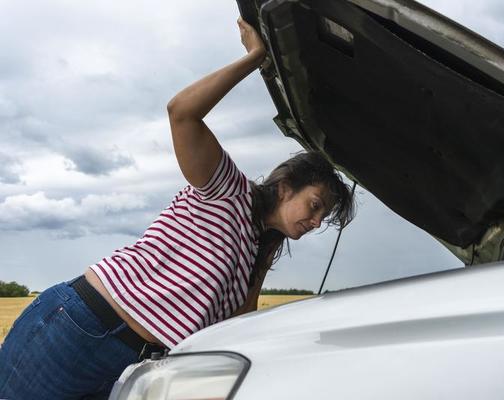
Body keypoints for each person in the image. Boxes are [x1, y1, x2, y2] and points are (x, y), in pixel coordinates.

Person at [0, 17, 355, 399]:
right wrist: (257, 57)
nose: (317, 222)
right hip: (77, 331)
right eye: (315, 205)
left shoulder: (258, 247)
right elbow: (182, 113)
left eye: (324, 217)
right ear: (285, 188)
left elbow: (239, 325)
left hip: (130, 362)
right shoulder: (226, 191)